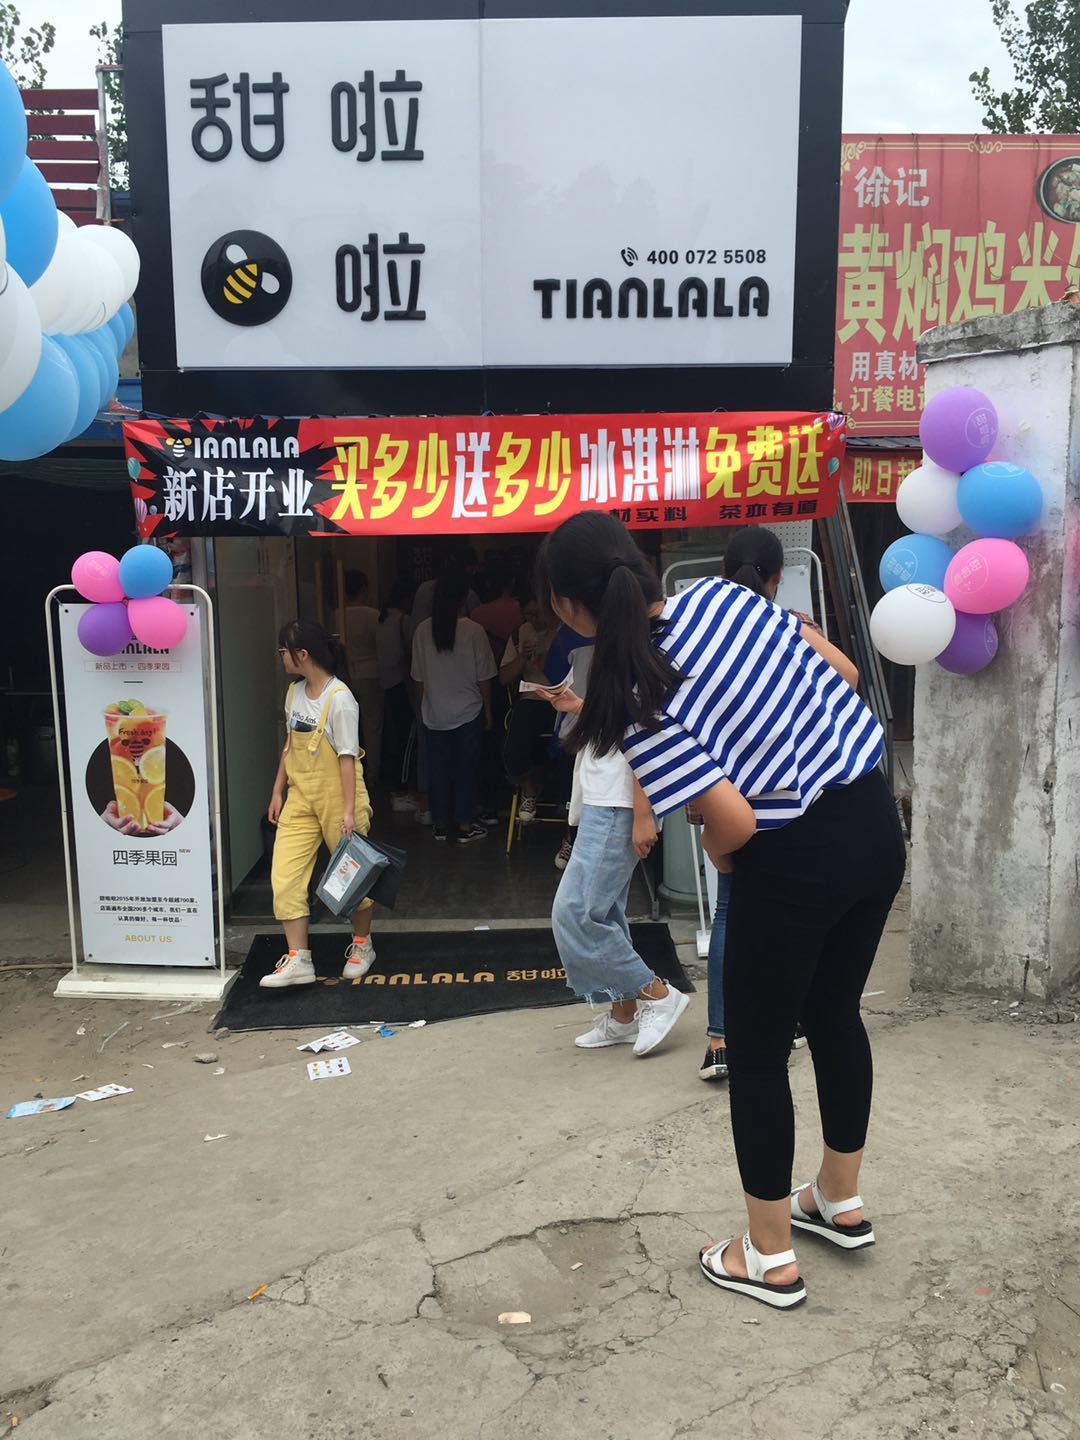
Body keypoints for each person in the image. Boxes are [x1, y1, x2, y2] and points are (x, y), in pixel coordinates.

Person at [541, 512, 903, 1310]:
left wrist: (715, 842)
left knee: (759, 1050)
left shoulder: (633, 692)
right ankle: (837, 1199)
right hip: (875, 826)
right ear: (635, 564)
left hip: (794, 859)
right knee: (835, 1014)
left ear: (567, 606)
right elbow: (842, 676)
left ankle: (768, 1255)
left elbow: (732, 822)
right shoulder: (724, 598)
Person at [695, 527, 821, 1083]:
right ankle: (785, 1020)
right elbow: (844, 682)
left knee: (731, 910)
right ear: (777, 579)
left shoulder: (696, 629)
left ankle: (720, 1038)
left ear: (724, 572)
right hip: (789, 790)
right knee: (793, 909)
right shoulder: (788, 627)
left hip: (724, 791)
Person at [536, 611, 689, 1058]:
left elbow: (645, 734)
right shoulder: (623, 653)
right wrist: (577, 706)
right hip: (606, 798)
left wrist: (643, 814)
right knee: (602, 913)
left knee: (575, 913)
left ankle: (656, 993)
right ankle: (624, 1014)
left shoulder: (633, 657)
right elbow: (622, 721)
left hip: (617, 801)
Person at [261, 620, 376, 990]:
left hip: (338, 795)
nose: (281, 657)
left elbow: (347, 758)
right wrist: (277, 790)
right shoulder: (294, 693)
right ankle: (299, 958)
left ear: (303, 654)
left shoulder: (340, 698)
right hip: (300, 795)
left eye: (284, 651)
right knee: (285, 875)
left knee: (354, 876)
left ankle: (362, 945)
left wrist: (348, 811)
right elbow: (289, 746)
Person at [410, 569, 496, 843]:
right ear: (463, 599)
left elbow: (418, 677)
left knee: (438, 769)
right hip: (468, 710)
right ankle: (465, 825)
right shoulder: (474, 631)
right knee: (465, 769)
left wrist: (427, 703)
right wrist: (488, 709)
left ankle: (440, 824)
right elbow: (484, 676)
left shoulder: (423, 630)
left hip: (434, 712)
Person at [500, 596, 558, 826]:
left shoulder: (562, 631)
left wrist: (542, 660)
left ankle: (564, 800)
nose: (532, 619)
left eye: (536, 613)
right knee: (512, 743)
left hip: (559, 698)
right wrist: (522, 657)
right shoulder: (519, 634)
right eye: (527, 614)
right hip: (531, 698)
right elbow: (504, 678)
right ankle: (528, 788)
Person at [376, 576, 418, 810]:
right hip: (403, 683)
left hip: (387, 683)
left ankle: (397, 786)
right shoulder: (404, 620)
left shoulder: (382, 620)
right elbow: (408, 655)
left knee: (395, 735)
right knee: (408, 738)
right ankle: (402, 788)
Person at [344, 571, 383, 788]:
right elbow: (383, 646)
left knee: (347, 728)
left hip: (345, 675)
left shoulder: (336, 614)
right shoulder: (372, 615)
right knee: (372, 726)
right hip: (371, 673)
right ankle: (373, 774)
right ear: (364, 589)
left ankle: (349, 773)